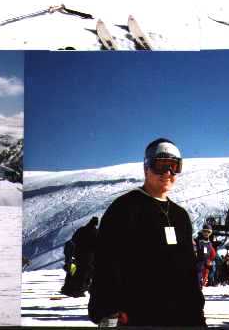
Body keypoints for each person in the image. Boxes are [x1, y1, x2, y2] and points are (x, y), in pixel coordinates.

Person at [88, 138, 206, 327]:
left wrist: (196, 313)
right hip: (136, 315)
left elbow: (188, 270)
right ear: (146, 168)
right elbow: (106, 262)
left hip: (179, 315)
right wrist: (108, 310)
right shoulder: (125, 208)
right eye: (161, 165)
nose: (168, 173)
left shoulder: (180, 216)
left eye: (174, 166)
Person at [62, 216, 99, 297]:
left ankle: (67, 288)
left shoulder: (81, 230)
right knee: (85, 273)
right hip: (88, 257)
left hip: (76, 255)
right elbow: (97, 246)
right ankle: (79, 290)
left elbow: (73, 240)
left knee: (73, 271)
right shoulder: (96, 232)